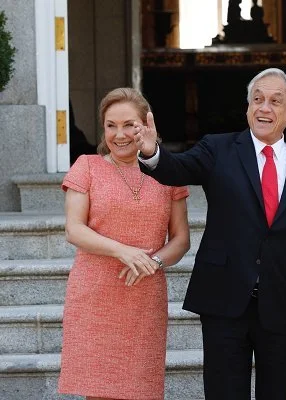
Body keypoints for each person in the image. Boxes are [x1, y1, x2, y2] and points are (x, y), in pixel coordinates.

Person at [134, 67, 286, 399]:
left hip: (280, 303)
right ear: (248, 107)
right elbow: (176, 169)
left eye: (274, 101)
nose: (264, 108)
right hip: (224, 298)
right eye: (257, 100)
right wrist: (152, 152)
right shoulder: (218, 149)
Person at [58, 87, 191, 400]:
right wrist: (123, 250)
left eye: (129, 125)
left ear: (146, 124)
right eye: (110, 125)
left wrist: (153, 261)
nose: (119, 135)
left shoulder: (170, 172)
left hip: (144, 294)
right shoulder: (87, 166)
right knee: (98, 390)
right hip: (95, 293)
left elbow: (181, 239)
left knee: (142, 389)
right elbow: (74, 229)